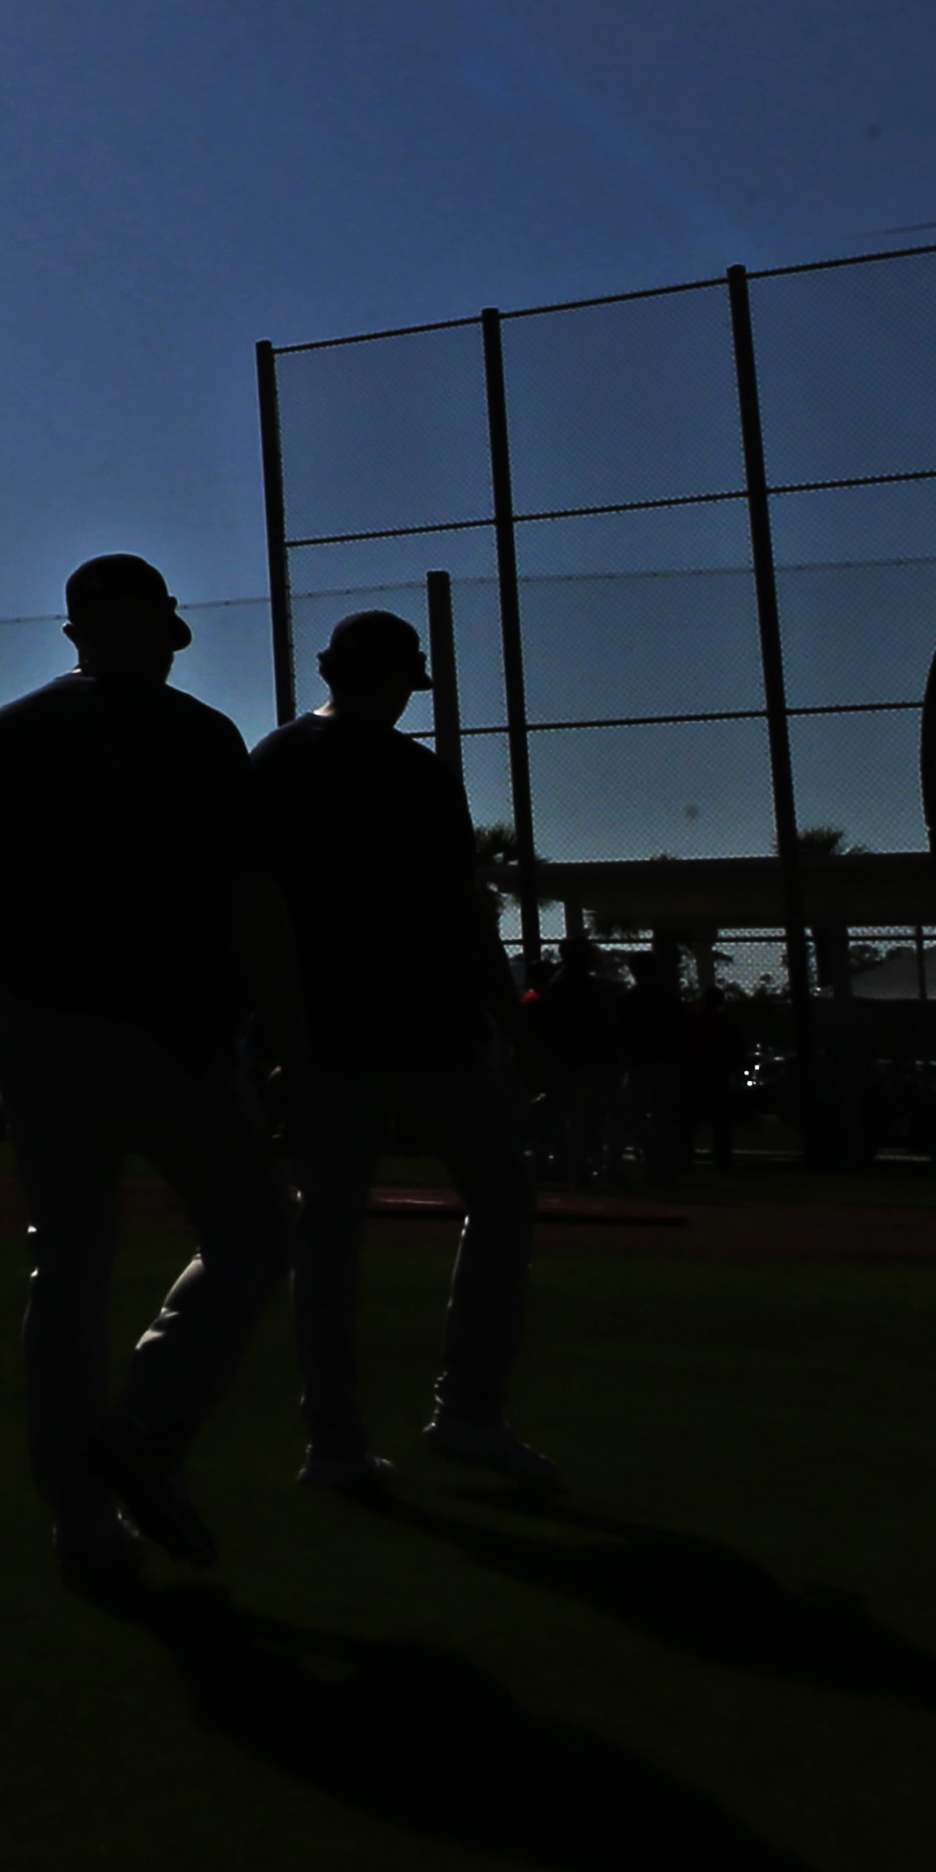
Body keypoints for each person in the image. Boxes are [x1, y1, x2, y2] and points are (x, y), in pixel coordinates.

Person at [0, 551, 302, 1587]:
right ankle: (148, 1419)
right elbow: (247, 904)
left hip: (35, 1020)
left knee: (66, 1264)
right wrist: (289, 1041)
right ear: (160, 629)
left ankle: (80, 1518)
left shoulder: (15, 727)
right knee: (249, 1228)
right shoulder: (196, 736)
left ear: (75, 632)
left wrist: (28, 998)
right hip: (160, 1028)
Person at [256, 610, 560, 1496]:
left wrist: (275, 1036)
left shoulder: (273, 763)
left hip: (323, 1029)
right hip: (422, 1024)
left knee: (328, 1229)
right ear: (393, 681)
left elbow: (253, 909)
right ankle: (465, 1410)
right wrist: (510, 1022)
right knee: (499, 1192)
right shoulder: (407, 769)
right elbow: (453, 911)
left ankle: (336, 1441)